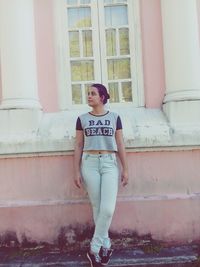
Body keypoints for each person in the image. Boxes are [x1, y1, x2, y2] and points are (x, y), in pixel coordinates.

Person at [73, 83, 128, 267]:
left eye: (93, 94)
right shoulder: (82, 119)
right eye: (88, 94)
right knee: (97, 207)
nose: (89, 96)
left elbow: (120, 144)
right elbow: (79, 146)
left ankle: (94, 248)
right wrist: (76, 170)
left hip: (109, 163)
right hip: (89, 163)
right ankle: (106, 245)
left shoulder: (114, 117)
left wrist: (125, 168)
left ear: (102, 97)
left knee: (107, 209)